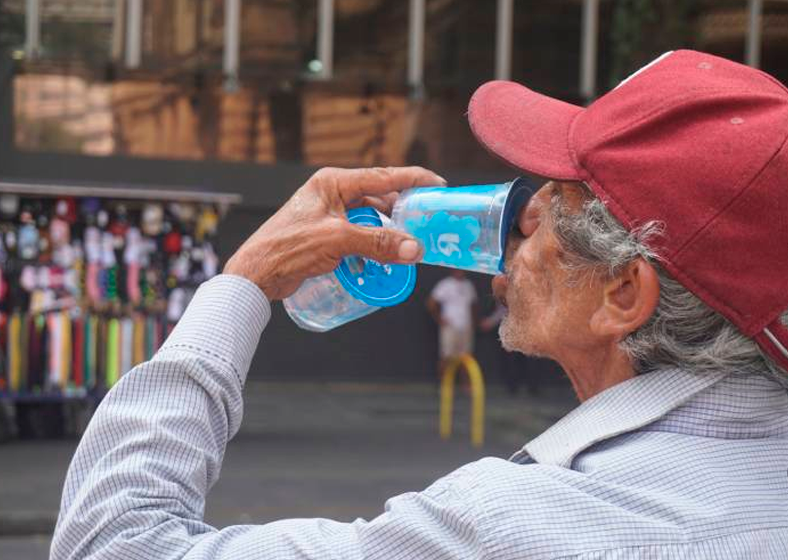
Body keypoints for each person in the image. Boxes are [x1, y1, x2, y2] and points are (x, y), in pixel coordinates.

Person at [51, 50, 788, 559]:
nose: (520, 220)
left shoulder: (515, 524)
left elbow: (111, 543)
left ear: (622, 294)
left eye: (553, 205)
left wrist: (243, 281)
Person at [426, 269, 477, 377]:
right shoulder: (445, 284)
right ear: (452, 269)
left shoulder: (469, 285)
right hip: (450, 327)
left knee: (466, 358)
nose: (460, 271)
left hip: (465, 327)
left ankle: (466, 388)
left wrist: (472, 322)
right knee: (446, 356)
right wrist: (439, 319)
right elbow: (431, 303)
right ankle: (443, 389)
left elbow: (473, 305)